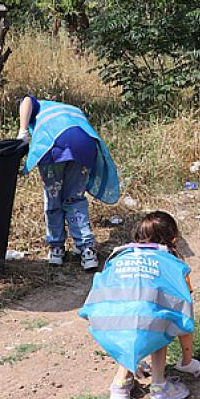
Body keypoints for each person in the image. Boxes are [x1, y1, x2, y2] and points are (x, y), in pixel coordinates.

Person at [80, 211, 200, 399]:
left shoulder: (120, 255)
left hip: (102, 321)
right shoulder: (171, 265)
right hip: (142, 322)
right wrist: (187, 361)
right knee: (157, 320)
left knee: (134, 320)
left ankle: (121, 382)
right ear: (174, 239)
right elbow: (184, 316)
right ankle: (160, 389)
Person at [16, 94, 120, 270]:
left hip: (55, 147)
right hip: (85, 146)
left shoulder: (39, 106)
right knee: (75, 199)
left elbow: (26, 99)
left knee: (53, 196)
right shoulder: (69, 109)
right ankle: (87, 251)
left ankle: (56, 248)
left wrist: (22, 131)